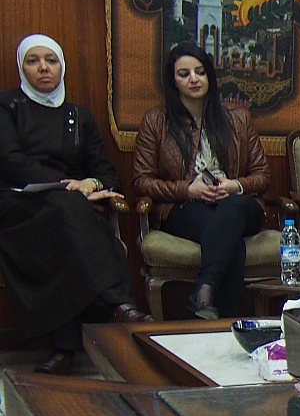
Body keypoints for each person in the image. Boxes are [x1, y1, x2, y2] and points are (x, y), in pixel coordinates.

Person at [0, 33, 150, 374]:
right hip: (17, 206)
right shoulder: (7, 107)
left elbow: (107, 174)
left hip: (67, 209)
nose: (43, 68)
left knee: (67, 223)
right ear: (22, 68)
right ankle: (117, 304)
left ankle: (66, 347)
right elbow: (10, 161)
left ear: (62, 67)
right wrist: (68, 186)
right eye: (33, 61)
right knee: (70, 213)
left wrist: (90, 184)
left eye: (51, 60)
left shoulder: (78, 116)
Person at [132, 42, 270, 318]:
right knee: (228, 239)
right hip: (186, 207)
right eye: (184, 74)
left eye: (200, 72)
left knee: (232, 208)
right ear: (173, 80)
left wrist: (235, 186)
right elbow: (141, 181)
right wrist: (188, 190)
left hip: (239, 204)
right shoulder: (156, 120)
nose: (194, 79)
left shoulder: (238, 117)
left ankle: (205, 289)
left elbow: (263, 176)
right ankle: (223, 323)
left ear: (210, 76)